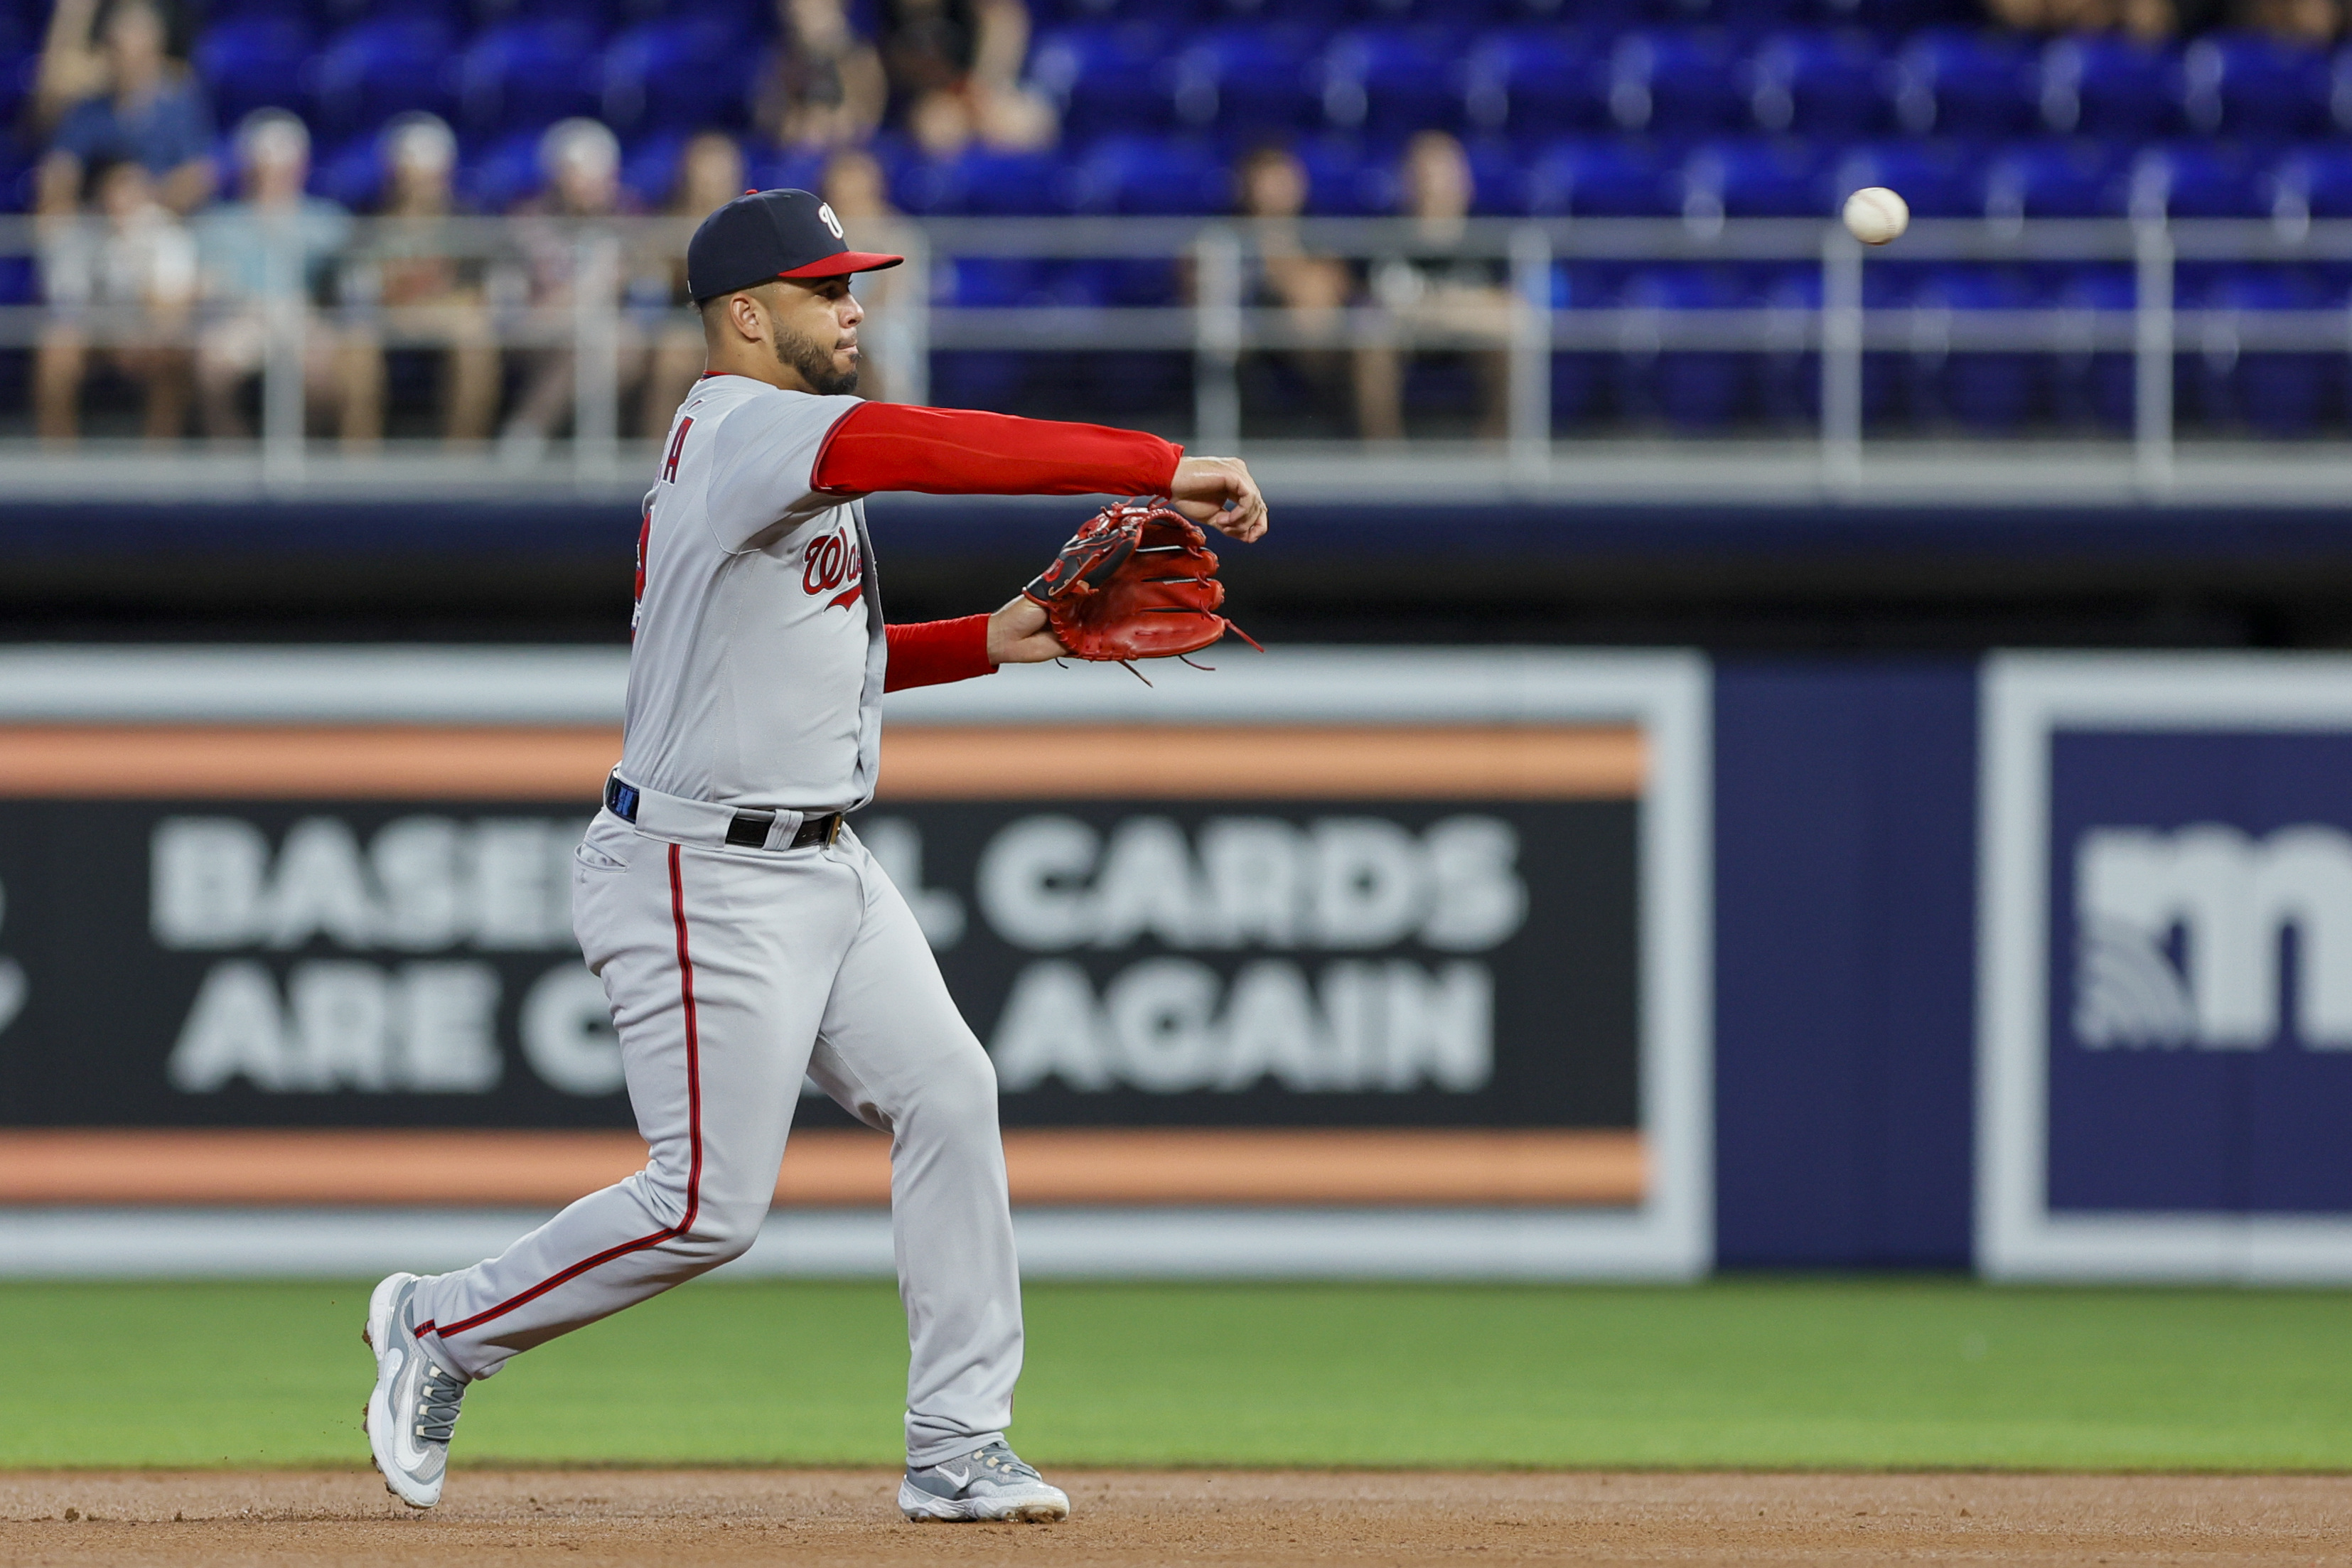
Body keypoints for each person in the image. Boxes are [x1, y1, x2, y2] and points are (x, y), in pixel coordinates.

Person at [360, 186, 1267, 1523]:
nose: (851, 305)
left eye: (852, 282)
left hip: (822, 862)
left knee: (950, 1094)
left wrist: (998, 637)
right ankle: (439, 1326)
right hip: (698, 874)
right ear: (745, 314)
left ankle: (958, 1441)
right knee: (703, 1211)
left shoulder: (775, 451)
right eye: (822, 287)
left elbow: (819, 664)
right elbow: (933, 445)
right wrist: (1151, 461)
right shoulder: (748, 430)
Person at [190, 110, 357, 442]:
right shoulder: (218, 223)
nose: (272, 178)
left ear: (300, 169)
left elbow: (339, 285)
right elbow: (207, 283)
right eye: (264, 169)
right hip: (241, 317)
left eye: (282, 169)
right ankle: (229, 451)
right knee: (210, 363)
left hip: (305, 317)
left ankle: (305, 454)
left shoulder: (328, 222)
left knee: (323, 370)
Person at [339, 113, 501, 446]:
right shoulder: (368, 225)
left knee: (475, 340)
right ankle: (358, 456)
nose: (416, 186)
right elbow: (357, 293)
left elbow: (476, 296)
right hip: (383, 321)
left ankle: (463, 456)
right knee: (355, 344)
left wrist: (423, 308)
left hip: (443, 320)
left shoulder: (467, 226)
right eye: (407, 176)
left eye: (426, 177)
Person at [500, 117, 647, 461]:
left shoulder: (628, 222)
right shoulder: (527, 221)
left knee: (607, 343)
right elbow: (509, 295)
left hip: (600, 334)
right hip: (535, 326)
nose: (586, 185)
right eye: (577, 173)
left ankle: (530, 432)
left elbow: (636, 284)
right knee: (598, 341)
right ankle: (568, 443)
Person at [1354, 131, 1515, 444]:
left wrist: (1430, 306)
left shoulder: (1489, 240)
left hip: (1470, 336)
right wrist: (1454, 305)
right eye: (1422, 176)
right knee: (1369, 341)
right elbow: (1369, 305)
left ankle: (1495, 451)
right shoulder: (1384, 239)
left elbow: (1509, 306)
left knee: (1512, 343)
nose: (1432, 187)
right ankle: (1383, 456)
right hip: (1406, 340)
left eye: (1443, 176)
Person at [35, 156, 196, 441]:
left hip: (146, 334)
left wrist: (136, 264)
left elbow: (170, 309)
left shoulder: (168, 235)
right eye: (116, 191)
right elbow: (66, 304)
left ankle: (159, 455)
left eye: (132, 192)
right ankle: (58, 454)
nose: (122, 202)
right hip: (94, 333)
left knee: (174, 353)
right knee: (56, 348)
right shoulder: (79, 234)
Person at [36, 0, 214, 218]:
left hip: (162, 224)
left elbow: (198, 175)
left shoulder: (180, 101)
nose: (123, 57)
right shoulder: (89, 108)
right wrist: (58, 206)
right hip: (100, 226)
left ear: (155, 45)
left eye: (131, 45)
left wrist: (145, 198)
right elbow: (61, 167)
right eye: (114, 46)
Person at [1233, 142, 1360, 438]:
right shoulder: (1225, 238)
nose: (1275, 189)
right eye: (1266, 178)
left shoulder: (1319, 241)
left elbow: (1335, 289)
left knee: (1313, 302)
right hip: (1245, 336)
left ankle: (1338, 428)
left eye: (1283, 178)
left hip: (1312, 343)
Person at [637, 132, 748, 439]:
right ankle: (659, 460)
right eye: (704, 164)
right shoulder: (667, 223)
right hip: (686, 324)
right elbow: (656, 280)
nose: (711, 175)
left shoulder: (754, 222)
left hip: (745, 325)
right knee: (671, 357)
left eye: (720, 165)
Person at [881, 0, 1056, 155]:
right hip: (924, 102)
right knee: (935, 128)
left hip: (983, 91)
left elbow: (1004, 21)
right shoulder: (884, 13)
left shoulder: (983, 11)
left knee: (1027, 126)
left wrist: (980, 93)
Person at [820, 146, 916, 402]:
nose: (849, 188)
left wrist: (857, 320)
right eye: (843, 177)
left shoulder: (896, 232)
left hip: (880, 323)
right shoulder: (817, 234)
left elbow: (895, 289)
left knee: (889, 343)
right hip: (828, 320)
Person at [756, 0, 886, 150]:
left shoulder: (862, 58)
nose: (799, 9)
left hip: (844, 154)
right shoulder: (780, 60)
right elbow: (770, 120)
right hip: (798, 152)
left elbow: (864, 122)